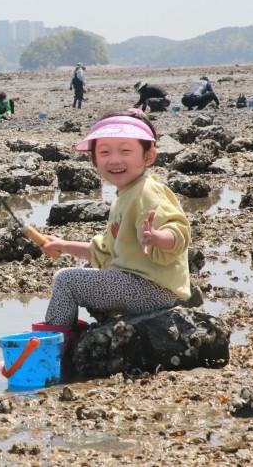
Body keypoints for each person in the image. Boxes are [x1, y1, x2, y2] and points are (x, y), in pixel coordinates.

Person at [34, 109, 191, 352]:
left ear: (148, 156)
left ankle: (51, 350)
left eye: (125, 151)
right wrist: (63, 245)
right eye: (105, 152)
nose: (114, 159)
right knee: (84, 272)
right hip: (139, 285)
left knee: (66, 280)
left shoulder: (148, 191)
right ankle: (74, 339)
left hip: (152, 289)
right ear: (94, 160)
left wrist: (158, 237)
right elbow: (105, 251)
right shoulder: (124, 196)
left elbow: (178, 232)